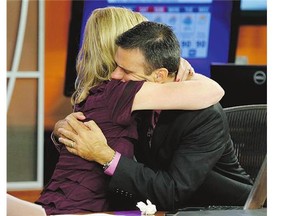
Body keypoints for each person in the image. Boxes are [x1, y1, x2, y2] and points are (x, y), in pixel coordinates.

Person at [36, 8, 224, 215]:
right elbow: (214, 90)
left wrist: (170, 66)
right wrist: (180, 68)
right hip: (83, 208)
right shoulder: (122, 92)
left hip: (60, 201)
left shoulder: (100, 93)